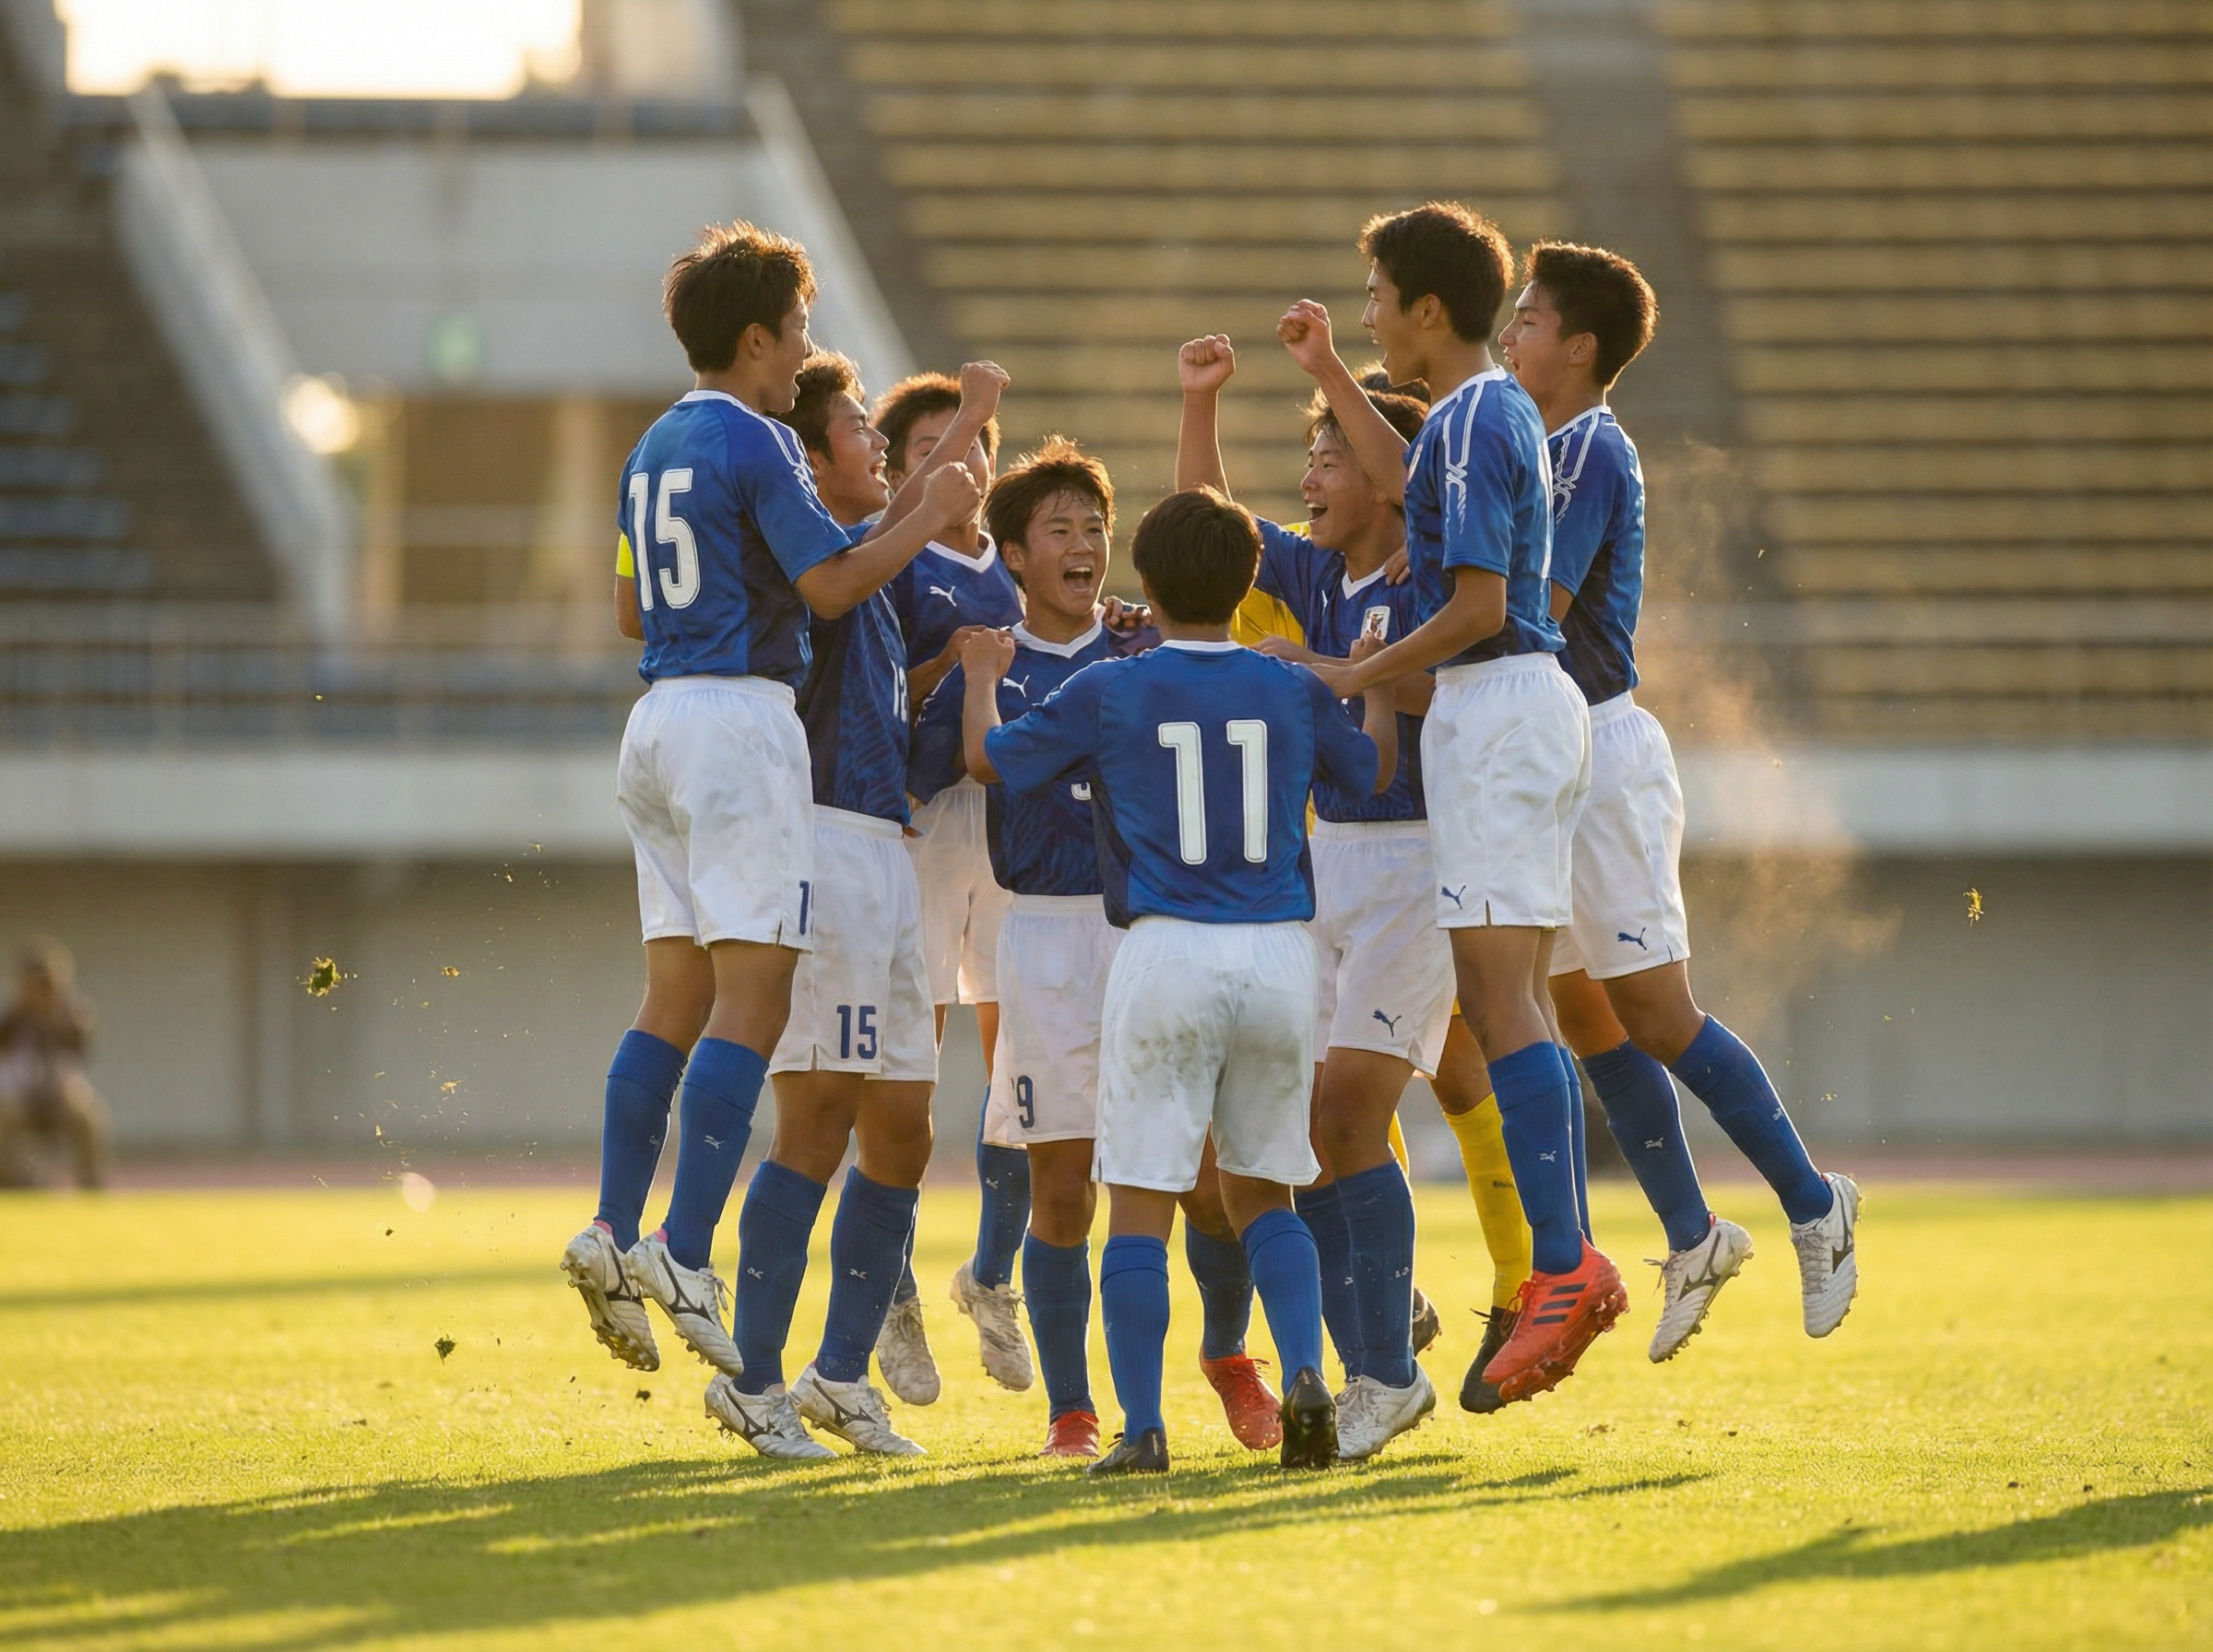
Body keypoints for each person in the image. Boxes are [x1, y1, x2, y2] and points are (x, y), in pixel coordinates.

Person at [560, 220, 986, 1388]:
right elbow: (830, 583)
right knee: (754, 1000)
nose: (804, 352)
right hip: (739, 723)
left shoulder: (651, 443)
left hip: (655, 722)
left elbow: (630, 612)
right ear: (754, 338)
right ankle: (684, 1249)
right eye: (797, 330)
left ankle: (612, 1224)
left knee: (673, 995)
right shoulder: (758, 440)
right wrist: (926, 514)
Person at [964, 487, 1399, 1475]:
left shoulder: (1113, 686)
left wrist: (985, 679)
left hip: (1166, 951)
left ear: (1146, 586)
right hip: (1279, 953)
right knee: (1266, 1193)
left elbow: (994, 761)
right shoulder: (1288, 685)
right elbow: (1371, 770)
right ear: (1247, 585)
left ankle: (1144, 1426)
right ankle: (1306, 1375)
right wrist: (1372, 677)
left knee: (1139, 1205)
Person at [1284, 201, 1627, 1405]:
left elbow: (1480, 605)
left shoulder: (1478, 417)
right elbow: (1406, 482)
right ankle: (1560, 1262)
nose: (1370, 314)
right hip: (1513, 710)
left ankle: (1564, 1264)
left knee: (1501, 999)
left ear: (1427, 310)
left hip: (1497, 704)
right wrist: (1331, 371)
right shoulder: (1478, 416)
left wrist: (1356, 673)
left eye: (1377, 299)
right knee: (1504, 997)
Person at [1497, 243, 1861, 1357]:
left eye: (1529, 319)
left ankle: (1817, 1204)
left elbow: (1538, 606)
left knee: (1656, 1012)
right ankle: (1695, 1236)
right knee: (1588, 1017)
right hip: (1543, 751)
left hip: (1599, 750)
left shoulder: (1591, 449)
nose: (1510, 334)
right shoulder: (1537, 442)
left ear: (1580, 346)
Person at [909, 441, 1283, 1460]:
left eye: (1095, 527)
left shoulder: (1145, 650)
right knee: (1064, 1188)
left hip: (1152, 932)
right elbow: (922, 765)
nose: (1083, 544)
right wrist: (958, 672)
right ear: (1015, 556)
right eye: (1059, 529)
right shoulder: (993, 665)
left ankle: (1228, 1355)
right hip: (1038, 940)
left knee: (1204, 1175)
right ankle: (1072, 1413)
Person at [703, 351, 1002, 1457]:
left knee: (903, 1129)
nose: (877, 445)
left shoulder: (869, 563)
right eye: (858, 430)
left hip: (888, 853)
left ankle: (838, 1375)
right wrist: (971, 417)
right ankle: (755, 1379)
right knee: (817, 1119)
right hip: (823, 846)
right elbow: (917, 507)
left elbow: (916, 518)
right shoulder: (813, 560)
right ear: (810, 461)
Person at [1175, 335, 1451, 1458]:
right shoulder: (1316, 573)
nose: (1310, 478)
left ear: (1387, 481)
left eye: (1331, 459)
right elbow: (1204, 534)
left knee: (1343, 1117)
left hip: (1417, 862)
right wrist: (1201, 401)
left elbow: (1445, 683)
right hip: (1326, 862)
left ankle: (1386, 1368)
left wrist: (1342, 673)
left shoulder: (1434, 577)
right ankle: (1380, 1338)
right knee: (1303, 1129)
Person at [870, 373, 1035, 1395]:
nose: (957, 460)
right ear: (900, 470)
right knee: (908, 1076)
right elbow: (877, 687)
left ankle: (992, 1276)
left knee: (1025, 1067)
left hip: (1011, 824)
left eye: (971, 442)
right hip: (922, 822)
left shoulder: (1013, 561)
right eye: (929, 446)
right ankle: (889, 1293)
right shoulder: (895, 556)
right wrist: (953, 669)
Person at [0, 938, 110, 1189]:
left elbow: (79, 1049)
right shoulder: (10, 1014)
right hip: (18, 1099)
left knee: (86, 1117)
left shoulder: (71, 1014)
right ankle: (8, 1182)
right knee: (4, 1117)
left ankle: (91, 1184)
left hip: (59, 1098)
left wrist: (51, 1015)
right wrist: (22, 1009)